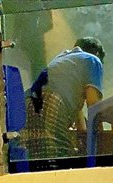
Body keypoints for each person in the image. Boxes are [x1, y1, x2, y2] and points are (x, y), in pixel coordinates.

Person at [22, 36, 105, 165]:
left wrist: (83, 136)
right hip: (50, 101)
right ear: (98, 54)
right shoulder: (93, 60)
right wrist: (100, 143)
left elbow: (79, 119)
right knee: (55, 158)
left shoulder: (62, 59)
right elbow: (94, 105)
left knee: (36, 158)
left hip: (26, 103)